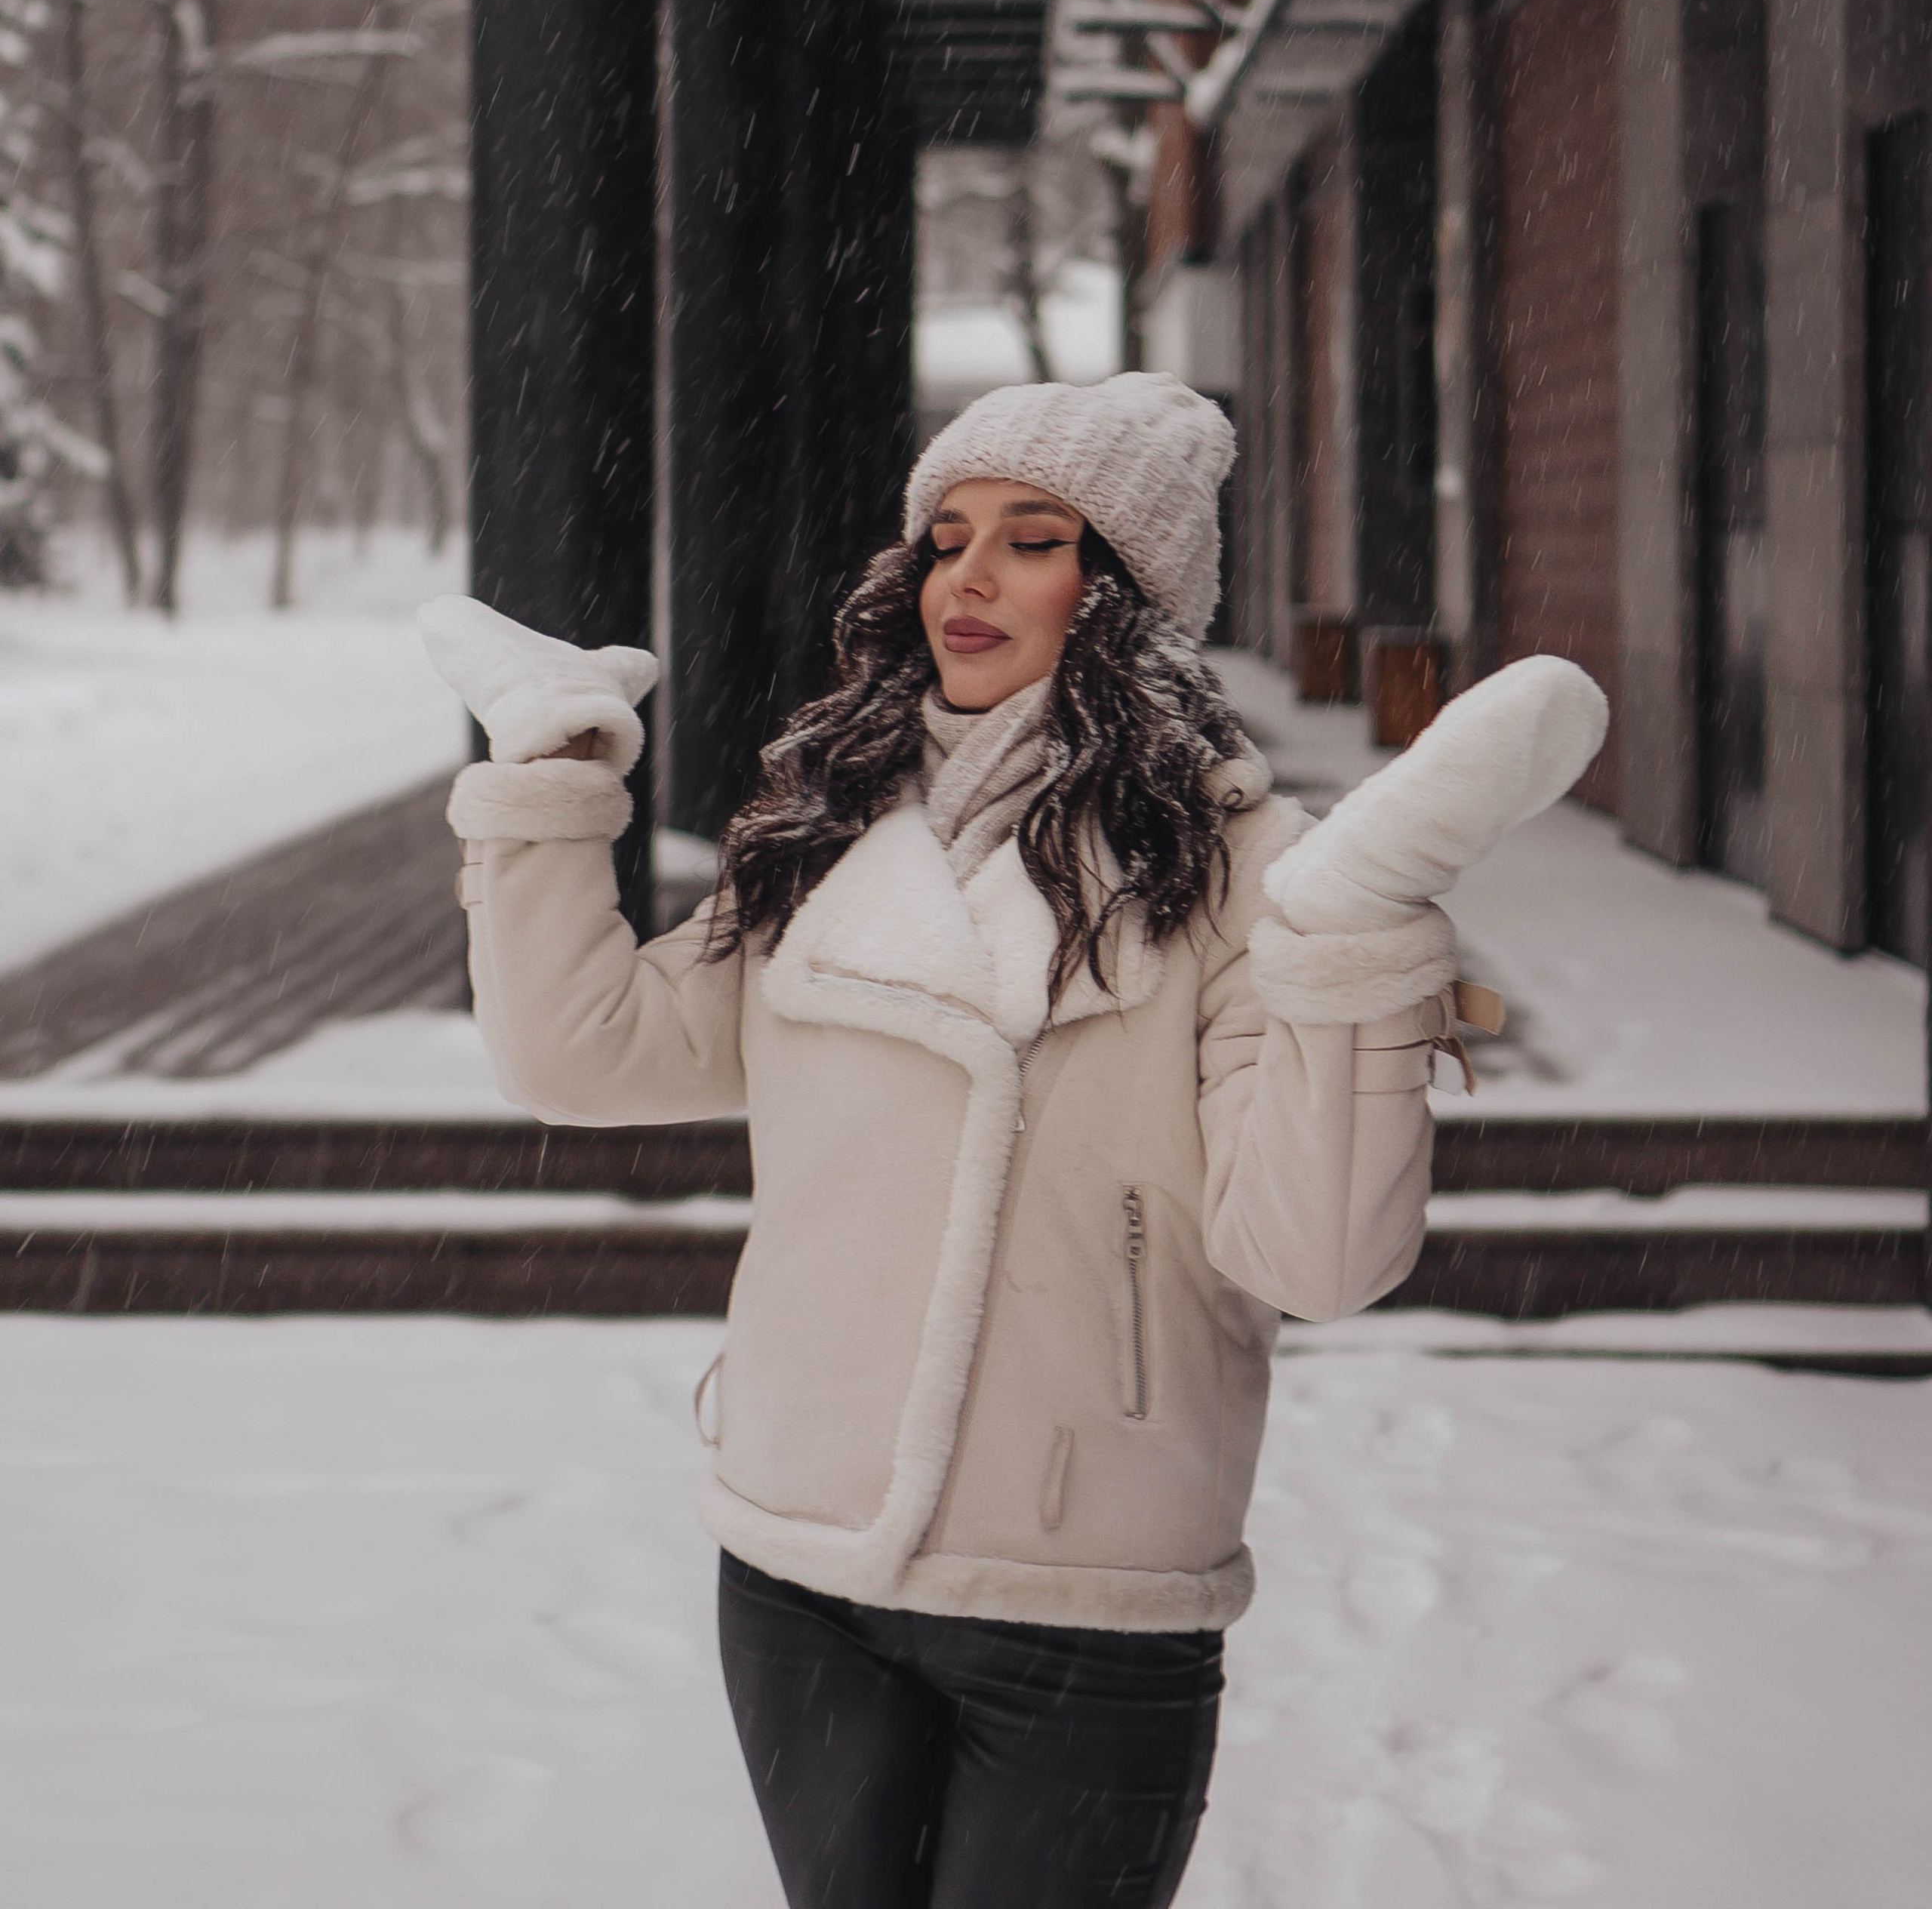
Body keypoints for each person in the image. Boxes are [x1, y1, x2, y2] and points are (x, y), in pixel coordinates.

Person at [420, 371, 1605, 1909]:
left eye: (1031, 538)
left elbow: (1309, 1255)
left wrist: (1345, 954)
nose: (964, 578)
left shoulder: (1240, 866)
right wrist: (551, 780)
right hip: (797, 1555)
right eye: (945, 536)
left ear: (1118, 595)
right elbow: (585, 1055)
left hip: (1088, 1583)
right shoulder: (829, 821)